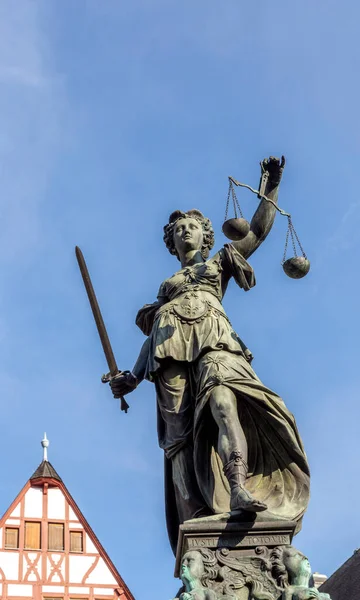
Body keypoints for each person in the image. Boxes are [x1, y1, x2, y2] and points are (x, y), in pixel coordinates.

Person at [110, 157, 310, 553]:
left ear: (206, 237)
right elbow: (152, 341)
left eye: (193, 227)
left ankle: (238, 488)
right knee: (180, 441)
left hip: (216, 342)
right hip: (169, 356)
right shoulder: (164, 296)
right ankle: (196, 524)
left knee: (223, 401)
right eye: (178, 229)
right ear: (172, 242)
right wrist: (131, 378)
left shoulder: (219, 263)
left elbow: (258, 231)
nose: (185, 231)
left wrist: (271, 184)